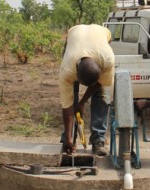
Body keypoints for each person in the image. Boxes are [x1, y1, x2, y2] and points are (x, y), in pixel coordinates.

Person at [59, 24, 115, 156]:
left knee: (102, 95)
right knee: (71, 94)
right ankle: (68, 139)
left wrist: (83, 102)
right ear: (76, 72)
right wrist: (68, 138)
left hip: (102, 35)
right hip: (74, 36)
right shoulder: (67, 70)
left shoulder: (107, 59)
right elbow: (66, 105)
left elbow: (102, 82)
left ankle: (98, 140)